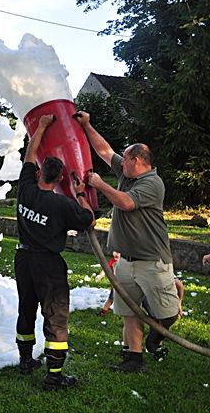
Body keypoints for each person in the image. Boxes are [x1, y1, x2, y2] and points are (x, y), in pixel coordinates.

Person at [75, 111, 180, 373]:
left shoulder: (152, 183)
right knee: (128, 311)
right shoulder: (128, 173)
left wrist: (99, 184)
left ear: (136, 160)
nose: (120, 163)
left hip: (152, 261)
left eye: (125, 159)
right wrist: (87, 124)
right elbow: (104, 150)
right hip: (126, 261)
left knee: (167, 313)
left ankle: (156, 335)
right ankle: (134, 359)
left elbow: (126, 202)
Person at [15, 114, 95, 390]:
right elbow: (88, 220)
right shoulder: (62, 205)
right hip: (48, 264)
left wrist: (42, 127)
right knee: (56, 317)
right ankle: (54, 376)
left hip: (23, 258)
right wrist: (81, 193)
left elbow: (30, 152)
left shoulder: (24, 188)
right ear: (60, 178)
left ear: (38, 172)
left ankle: (26, 362)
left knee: (26, 309)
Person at [96, 251, 121, 316]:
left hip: (126, 284)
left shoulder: (125, 263)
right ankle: (104, 310)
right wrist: (100, 276)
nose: (116, 254)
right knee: (111, 298)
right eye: (114, 252)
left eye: (118, 252)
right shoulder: (112, 262)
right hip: (116, 284)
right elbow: (105, 270)